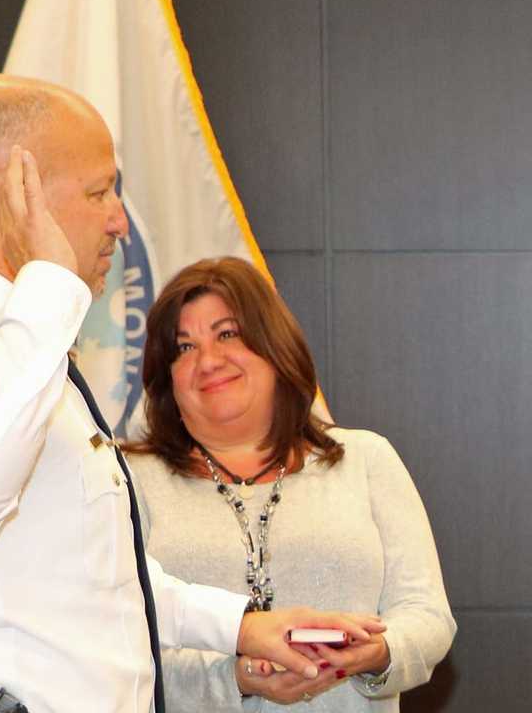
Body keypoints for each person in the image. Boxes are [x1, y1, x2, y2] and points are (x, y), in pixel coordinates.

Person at [0, 76, 385, 713]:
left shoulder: (14, 341)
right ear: (15, 193)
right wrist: (48, 285)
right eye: (100, 191)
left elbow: (93, 577)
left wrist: (239, 625)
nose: (120, 221)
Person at [129, 256, 457, 711]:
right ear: (166, 376)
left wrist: (377, 654)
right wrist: (234, 677)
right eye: (184, 348)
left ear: (274, 347)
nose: (208, 361)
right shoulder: (128, 480)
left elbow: (428, 617)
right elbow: (117, 652)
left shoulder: (366, 459)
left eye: (228, 334)